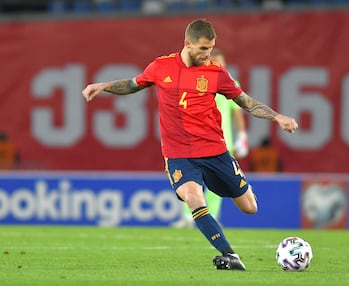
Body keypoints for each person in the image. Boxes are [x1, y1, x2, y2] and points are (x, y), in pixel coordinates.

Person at [82, 18, 298, 271]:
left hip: (215, 152)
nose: (208, 54)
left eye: (211, 48)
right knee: (194, 197)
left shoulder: (216, 73)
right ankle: (229, 254)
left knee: (249, 207)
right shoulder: (161, 67)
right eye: (203, 49)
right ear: (188, 44)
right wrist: (103, 86)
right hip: (178, 155)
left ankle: (226, 193)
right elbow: (132, 84)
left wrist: (277, 116)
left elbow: (246, 102)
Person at [171, 48, 248, 228]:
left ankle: (212, 215)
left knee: (218, 182)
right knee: (191, 177)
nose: (220, 66)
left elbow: (237, 113)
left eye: (222, 63)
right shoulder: (197, 82)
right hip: (197, 139)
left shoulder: (230, 83)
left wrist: (242, 136)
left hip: (222, 141)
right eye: (216, 62)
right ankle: (189, 216)